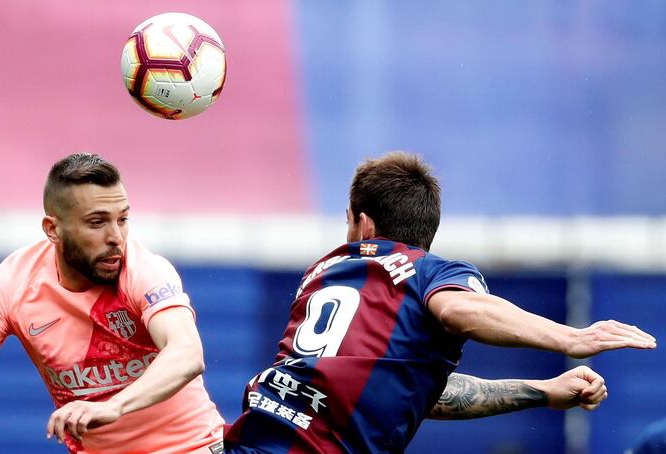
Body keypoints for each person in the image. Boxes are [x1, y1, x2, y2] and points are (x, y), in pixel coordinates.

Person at [224, 152, 656, 453]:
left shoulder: (321, 274)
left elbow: (416, 392)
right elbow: (458, 310)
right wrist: (569, 337)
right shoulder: (431, 272)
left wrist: (541, 391)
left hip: (247, 441)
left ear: (362, 223)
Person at [0, 153, 224, 454]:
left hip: (191, 447)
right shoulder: (10, 285)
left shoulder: (144, 269)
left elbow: (186, 354)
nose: (116, 237)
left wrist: (115, 406)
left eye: (122, 219)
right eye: (97, 222)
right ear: (52, 229)